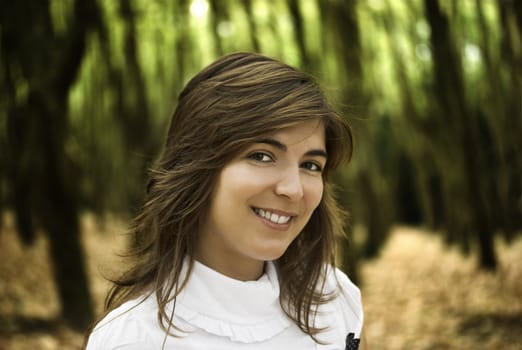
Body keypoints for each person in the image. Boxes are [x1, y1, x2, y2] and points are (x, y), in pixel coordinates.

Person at [84, 52, 364, 349]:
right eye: (262, 156)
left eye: (310, 165)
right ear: (197, 165)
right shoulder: (133, 339)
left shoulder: (336, 299)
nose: (293, 190)